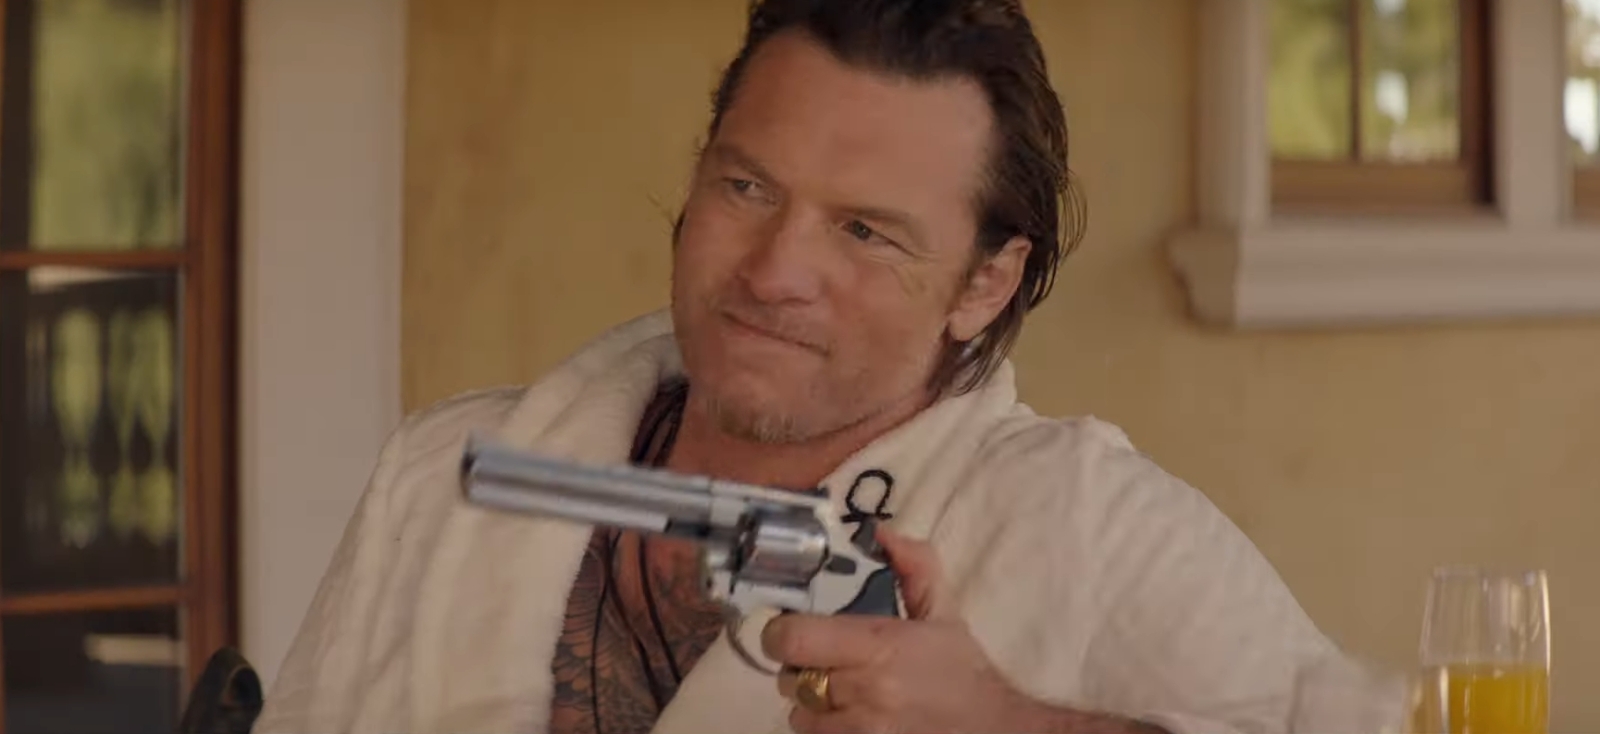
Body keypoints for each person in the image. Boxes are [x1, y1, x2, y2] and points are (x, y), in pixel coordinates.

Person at [254, 1, 1382, 733]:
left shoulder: (1089, 522)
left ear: (985, 284)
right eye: (748, 187)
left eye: (865, 232)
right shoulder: (441, 474)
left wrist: (1011, 724)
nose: (775, 271)